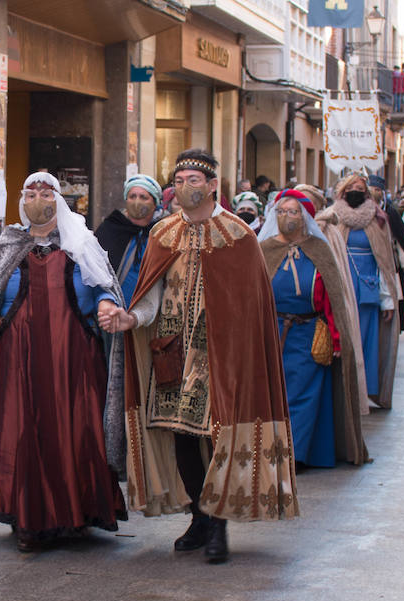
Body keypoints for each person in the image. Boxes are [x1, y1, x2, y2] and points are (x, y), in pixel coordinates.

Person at [103, 149, 297, 565]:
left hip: (219, 358)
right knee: (181, 437)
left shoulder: (238, 236)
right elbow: (150, 295)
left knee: (217, 438)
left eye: (195, 179)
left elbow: (251, 308)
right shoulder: (162, 234)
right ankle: (199, 517)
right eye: (180, 178)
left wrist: (241, 356)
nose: (185, 185)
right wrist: (129, 317)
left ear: (212, 185)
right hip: (170, 356)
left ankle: (218, 524)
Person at [0, 173, 127, 552]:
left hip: (74, 356)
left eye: (45, 192)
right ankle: (29, 521)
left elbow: (103, 286)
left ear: (59, 199)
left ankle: (76, 515)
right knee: (20, 433)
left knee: (76, 430)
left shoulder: (81, 241)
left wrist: (106, 304)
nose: (37, 198)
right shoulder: (9, 246)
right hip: (15, 360)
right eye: (30, 192)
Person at [258, 191, 369, 468]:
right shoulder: (264, 250)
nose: (286, 217)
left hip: (308, 335)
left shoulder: (319, 250)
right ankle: (270, 449)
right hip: (270, 333)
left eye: (293, 212)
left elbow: (333, 301)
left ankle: (295, 455)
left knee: (302, 396)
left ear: (305, 216)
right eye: (281, 212)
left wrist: (337, 337)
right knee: (274, 394)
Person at [317, 173, 403, 407]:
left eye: (360, 187)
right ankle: (343, 389)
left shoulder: (378, 219)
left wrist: (387, 299)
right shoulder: (331, 218)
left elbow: (385, 262)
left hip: (368, 288)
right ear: (343, 191)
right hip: (342, 287)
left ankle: (365, 391)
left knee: (366, 340)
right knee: (344, 338)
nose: (355, 190)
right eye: (351, 187)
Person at [95, 174, 162, 301]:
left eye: (143, 197)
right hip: (112, 307)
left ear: (154, 204)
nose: (137, 201)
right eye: (132, 196)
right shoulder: (111, 228)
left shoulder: (162, 233)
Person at [370, 175, 404, 329]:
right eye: (372, 189)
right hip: (370, 261)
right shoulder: (362, 211)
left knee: (395, 296)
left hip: (390, 260)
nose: (374, 192)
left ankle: (396, 326)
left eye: (377, 189)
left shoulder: (390, 212)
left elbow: (400, 239)